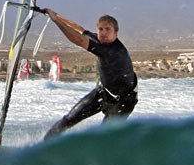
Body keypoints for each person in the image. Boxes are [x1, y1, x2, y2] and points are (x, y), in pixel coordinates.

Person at [38, 9, 138, 140]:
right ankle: (45, 145)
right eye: (100, 29)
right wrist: (56, 16)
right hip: (104, 93)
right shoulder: (101, 40)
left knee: (104, 137)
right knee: (68, 119)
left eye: (108, 29)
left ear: (116, 33)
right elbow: (80, 30)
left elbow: (79, 40)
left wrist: (56, 21)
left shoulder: (113, 50)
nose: (103, 33)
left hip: (123, 102)